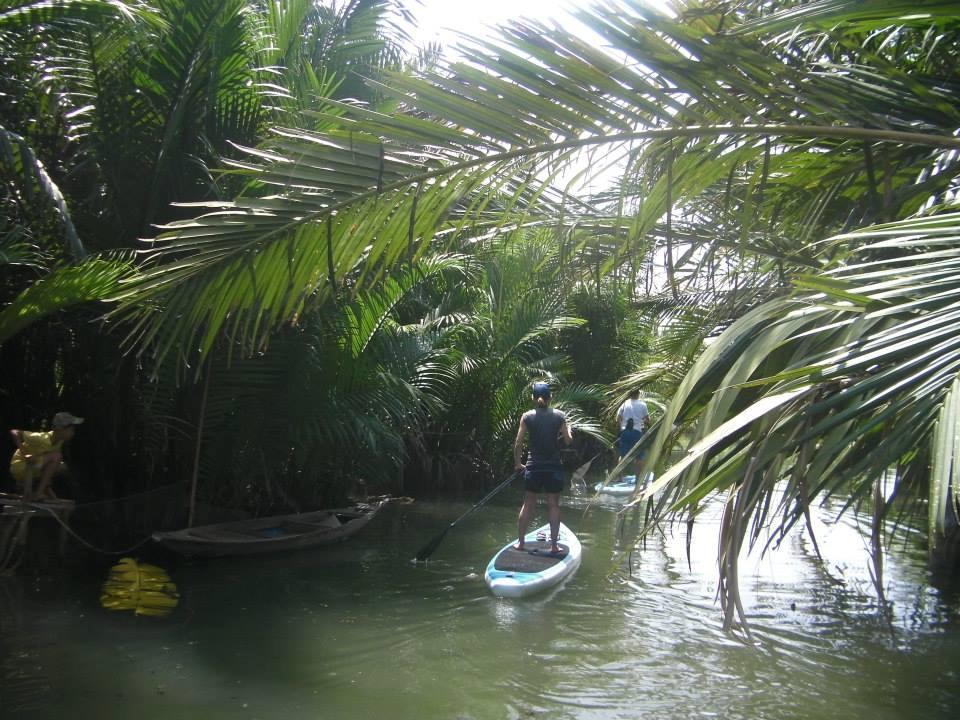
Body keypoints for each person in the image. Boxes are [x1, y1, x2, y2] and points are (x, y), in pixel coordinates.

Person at [513, 381, 572, 554]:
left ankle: (521, 543)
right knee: (553, 504)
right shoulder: (560, 415)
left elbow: (518, 442)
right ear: (550, 397)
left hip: (534, 466)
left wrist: (517, 463)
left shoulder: (527, 416)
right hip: (553, 467)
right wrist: (570, 431)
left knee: (528, 503)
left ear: (533, 398)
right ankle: (554, 546)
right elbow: (568, 441)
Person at [9, 412, 83, 500]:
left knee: (61, 466)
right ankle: (38, 493)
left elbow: (51, 466)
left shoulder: (59, 442)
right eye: (71, 430)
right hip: (20, 466)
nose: (73, 433)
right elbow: (14, 432)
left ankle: (43, 491)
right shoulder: (41, 438)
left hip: (33, 467)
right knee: (56, 457)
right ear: (61, 429)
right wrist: (25, 454)